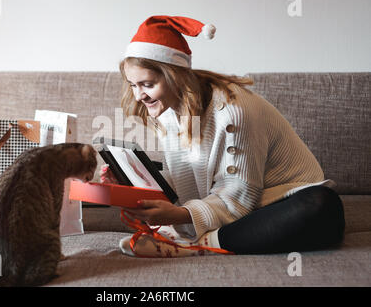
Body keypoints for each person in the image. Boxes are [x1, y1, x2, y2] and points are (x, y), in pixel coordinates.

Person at [100, 15, 345, 257]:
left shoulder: (233, 111)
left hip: (277, 201)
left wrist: (179, 215)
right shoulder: (167, 108)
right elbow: (189, 181)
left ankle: (193, 245)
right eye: (133, 85)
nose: (138, 95)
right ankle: (203, 241)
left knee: (322, 205)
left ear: (176, 76)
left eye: (147, 84)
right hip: (237, 211)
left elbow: (239, 196)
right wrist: (129, 185)